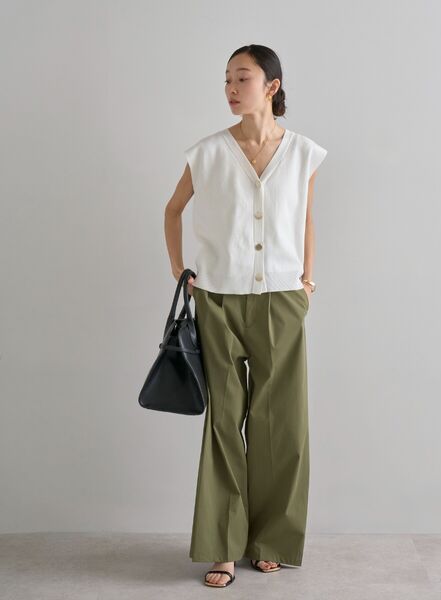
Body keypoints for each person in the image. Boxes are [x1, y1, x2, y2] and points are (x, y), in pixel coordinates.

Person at [164, 44, 328, 588]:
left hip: (281, 299)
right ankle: (223, 546)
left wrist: (306, 280)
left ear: (271, 86)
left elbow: (305, 218)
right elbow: (173, 209)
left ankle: (271, 541)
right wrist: (180, 271)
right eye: (227, 80)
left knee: (281, 425)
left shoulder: (302, 153)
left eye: (243, 78)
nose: (231, 89)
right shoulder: (208, 152)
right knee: (224, 422)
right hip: (218, 300)